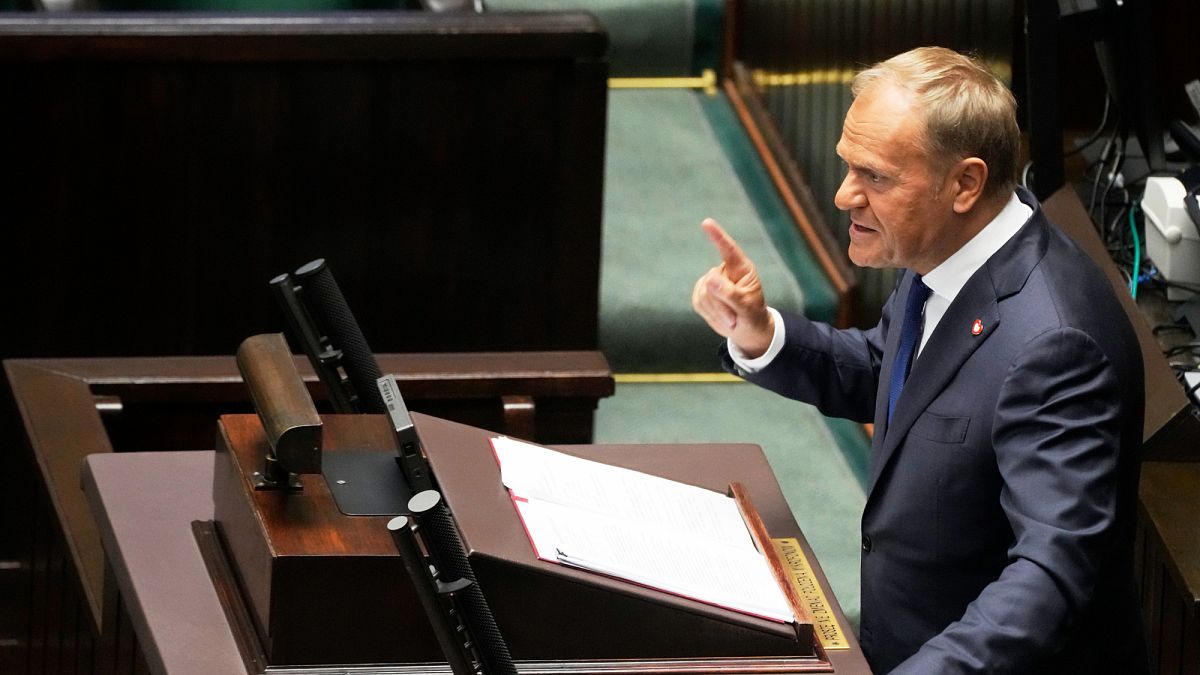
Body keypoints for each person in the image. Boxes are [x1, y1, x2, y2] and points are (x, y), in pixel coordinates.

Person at [692, 46, 1148, 674]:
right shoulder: (952, 252)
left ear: (964, 184)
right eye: (847, 166)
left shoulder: (1056, 348)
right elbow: (897, 372)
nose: (844, 195)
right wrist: (760, 333)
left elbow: (1048, 576)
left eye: (875, 177)